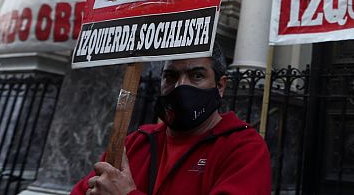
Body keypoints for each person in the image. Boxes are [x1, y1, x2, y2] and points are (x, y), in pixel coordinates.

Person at [71, 45, 271, 195]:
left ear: (220, 85)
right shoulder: (135, 143)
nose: (180, 87)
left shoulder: (243, 148)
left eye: (197, 75)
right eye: (170, 76)